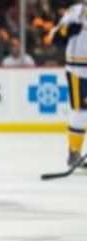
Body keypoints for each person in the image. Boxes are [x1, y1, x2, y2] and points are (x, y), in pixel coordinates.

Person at [48, 1, 87, 166]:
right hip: (78, 70)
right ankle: (74, 152)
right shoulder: (76, 11)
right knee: (81, 110)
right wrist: (67, 30)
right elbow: (54, 37)